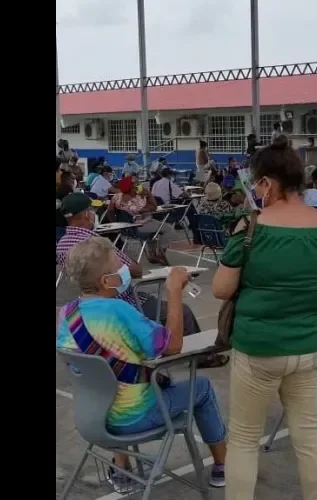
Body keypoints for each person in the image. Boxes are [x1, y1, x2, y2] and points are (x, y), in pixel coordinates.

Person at [212, 140, 317, 500]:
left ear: (268, 184)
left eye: (257, 183)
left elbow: (222, 290)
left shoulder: (252, 228)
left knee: (243, 439)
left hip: (259, 346)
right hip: (312, 344)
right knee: (308, 432)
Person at [57, 238, 227, 493]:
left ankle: (121, 471)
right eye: (119, 266)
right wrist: (173, 293)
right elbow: (172, 346)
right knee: (201, 387)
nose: (125, 270)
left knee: (117, 383)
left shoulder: (66, 313)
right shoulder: (119, 311)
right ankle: (222, 467)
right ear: (106, 281)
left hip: (93, 419)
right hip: (136, 417)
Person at [56, 193, 210, 339]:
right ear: (86, 214)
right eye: (92, 210)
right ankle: (201, 357)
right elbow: (136, 270)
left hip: (91, 304)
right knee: (183, 311)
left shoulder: (61, 245)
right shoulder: (95, 243)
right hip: (125, 301)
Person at [106, 177, 169, 265]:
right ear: (131, 187)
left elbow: (110, 211)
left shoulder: (116, 197)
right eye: (135, 184)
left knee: (155, 230)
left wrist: (116, 223)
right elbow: (153, 207)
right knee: (167, 229)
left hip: (126, 229)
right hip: (140, 226)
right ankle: (159, 254)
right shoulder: (137, 199)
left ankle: (152, 253)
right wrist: (148, 194)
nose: (137, 186)